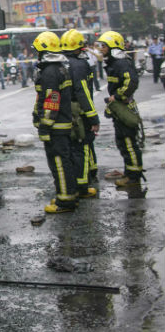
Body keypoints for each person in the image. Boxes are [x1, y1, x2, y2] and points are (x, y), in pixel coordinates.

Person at [32, 31, 77, 213]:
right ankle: (67, 195)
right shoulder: (58, 68)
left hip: (56, 127)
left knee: (59, 163)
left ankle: (65, 202)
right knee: (64, 162)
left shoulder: (50, 72)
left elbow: (51, 101)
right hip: (62, 124)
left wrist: (44, 126)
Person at [97, 30, 145, 187]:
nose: (101, 49)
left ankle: (134, 177)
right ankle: (130, 173)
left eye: (104, 46)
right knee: (123, 142)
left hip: (124, 108)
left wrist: (117, 96)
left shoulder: (121, 63)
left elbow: (132, 82)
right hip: (118, 109)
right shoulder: (113, 63)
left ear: (112, 46)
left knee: (129, 142)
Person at [61, 29, 100, 196]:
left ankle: (88, 173)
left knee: (70, 147)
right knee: (82, 145)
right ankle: (83, 185)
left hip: (64, 113)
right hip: (79, 112)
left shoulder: (60, 64)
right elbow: (83, 93)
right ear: (79, 47)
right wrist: (93, 118)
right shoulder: (79, 65)